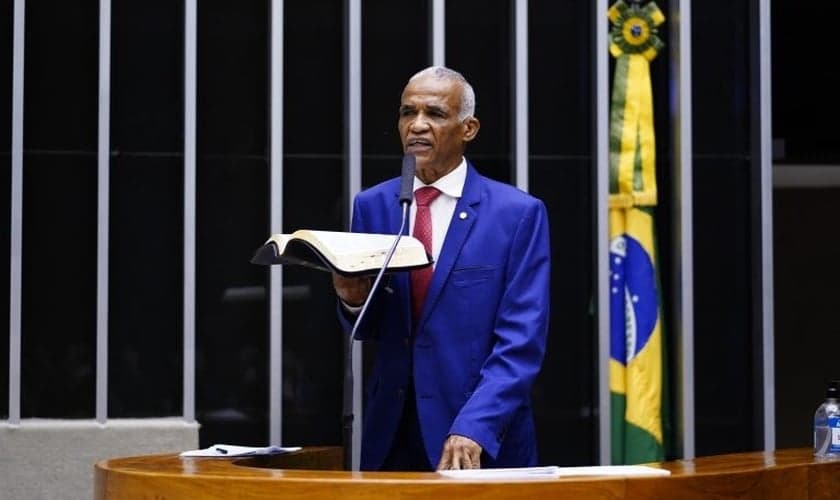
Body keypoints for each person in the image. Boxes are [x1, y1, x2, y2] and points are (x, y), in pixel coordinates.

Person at [333, 66, 550, 471]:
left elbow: (521, 342)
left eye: (434, 114)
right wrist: (352, 299)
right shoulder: (373, 206)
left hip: (479, 437)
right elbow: (371, 328)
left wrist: (475, 426)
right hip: (392, 435)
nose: (417, 125)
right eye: (406, 113)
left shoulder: (517, 214)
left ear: (468, 129)